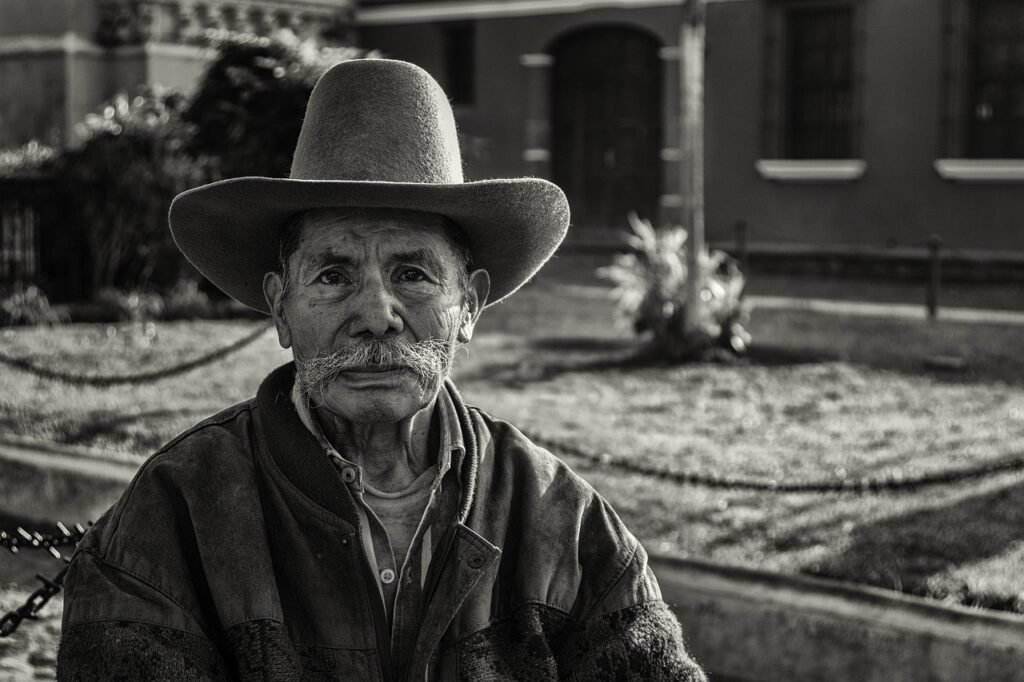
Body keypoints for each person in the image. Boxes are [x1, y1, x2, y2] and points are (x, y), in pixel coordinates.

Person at [56, 59, 706, 681]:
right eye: (333, 275)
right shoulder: (171, 516)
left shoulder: (562, 520)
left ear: (469, 306)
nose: (375, 315)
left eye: (412, 273)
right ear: (280, 307)